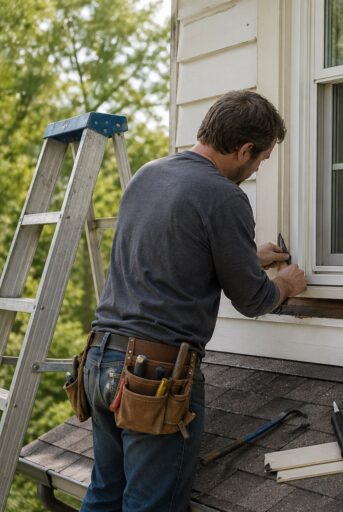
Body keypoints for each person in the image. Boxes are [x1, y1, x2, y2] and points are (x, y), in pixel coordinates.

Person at [80, 90, 307, 511]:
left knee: (104, 495)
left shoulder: (148, 174)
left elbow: (165, 253)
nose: (257, 168)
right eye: (261, 159)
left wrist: (244, 257)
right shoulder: (223, 195)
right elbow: (253, 299)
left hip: (99, 362)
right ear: (244, 150)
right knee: (151, 506)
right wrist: (288, 285)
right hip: (154, 377)